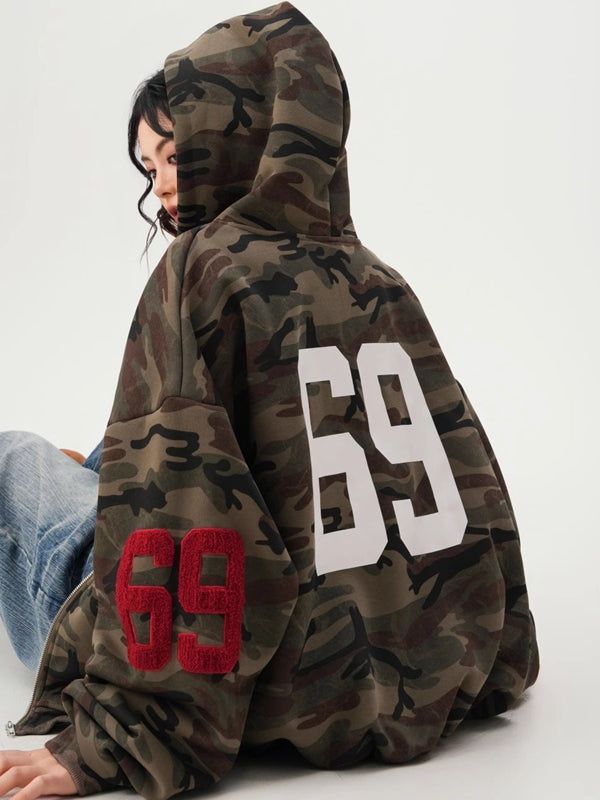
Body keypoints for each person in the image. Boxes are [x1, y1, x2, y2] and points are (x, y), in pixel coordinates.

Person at [0, 4, 539, 800]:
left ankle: (91, 472)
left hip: (237, 668)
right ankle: (105, 464)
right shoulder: (380, 278)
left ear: (237, 133)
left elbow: (189, 513)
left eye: (176, 154)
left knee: (12, 455)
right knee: (138, 442)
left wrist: (120, 732)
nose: (163, 187)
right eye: (149, 169)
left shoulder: (202, 270)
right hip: (388, 654)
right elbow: (473, 485)